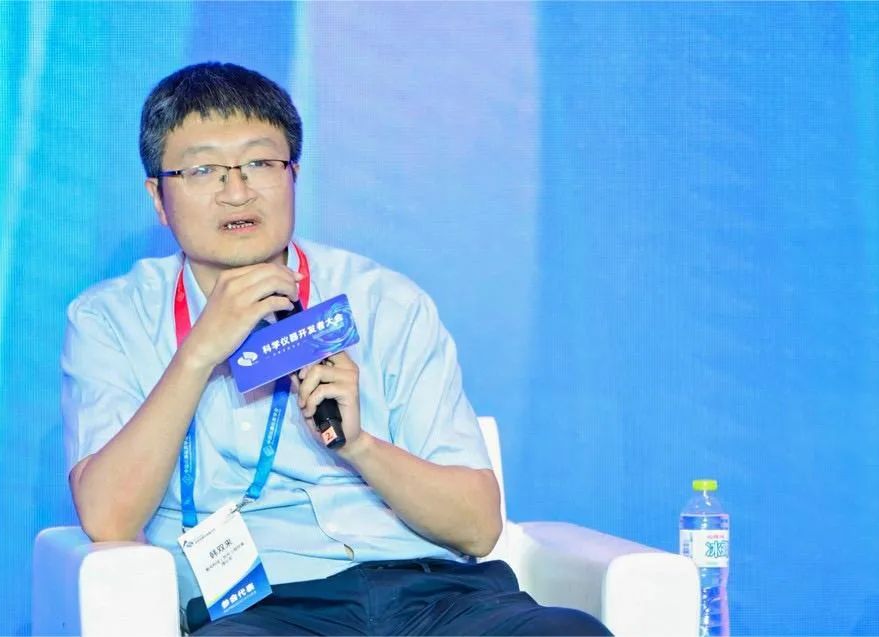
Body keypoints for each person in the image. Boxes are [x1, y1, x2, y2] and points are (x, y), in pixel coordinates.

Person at [61, 61, 611, 636]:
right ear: (158, 197)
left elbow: (477, 527)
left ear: (294, 175)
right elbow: (108, 519)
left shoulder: (385, 303)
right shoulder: (110, 320)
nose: (237, 191)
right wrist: (197, 355)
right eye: (204, 170)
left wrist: (361, 446)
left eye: (260, 163)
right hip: (263, 612)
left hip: (432, 596)